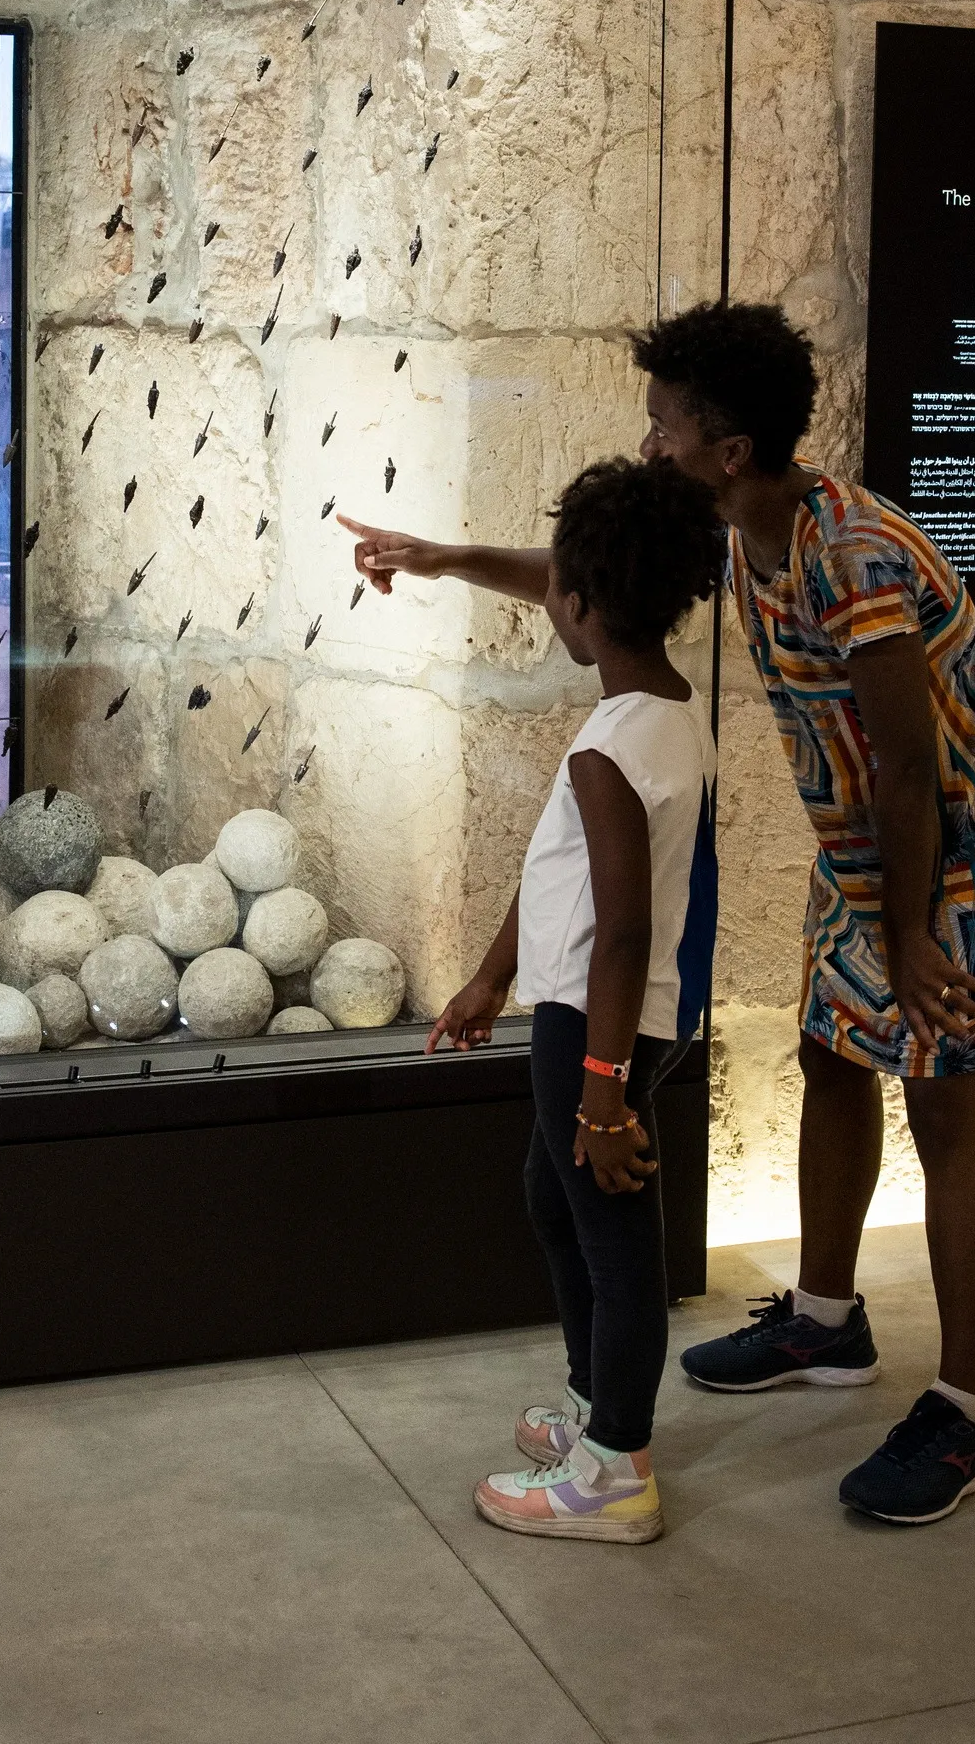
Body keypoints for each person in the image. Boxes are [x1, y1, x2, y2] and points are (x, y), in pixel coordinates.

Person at [345, 300, 975, 1528]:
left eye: (664, 425)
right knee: (829, 1056)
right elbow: (593, 584)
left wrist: (901, 938)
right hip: (872, 848)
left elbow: (907, 764)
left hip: (965, 844)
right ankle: (825, 1324)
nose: (648, 446)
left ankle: (964, 1411)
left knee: (945, 1096)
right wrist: (444, 558)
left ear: (728, 449)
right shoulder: (740, 530)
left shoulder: (857, 558)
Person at [400, 456, 724, 1544]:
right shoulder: (665, 712)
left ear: (578, 606)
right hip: (592, 1013)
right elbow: (562, 877)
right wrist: (491, 976)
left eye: (552, 590)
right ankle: (596, 1411)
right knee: (557, 1199)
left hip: (595, 1026)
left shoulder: (606, 747)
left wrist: (598, 1087)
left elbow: (622, 927)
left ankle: (614, 1470)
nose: (548, 603)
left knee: (615, 1235)